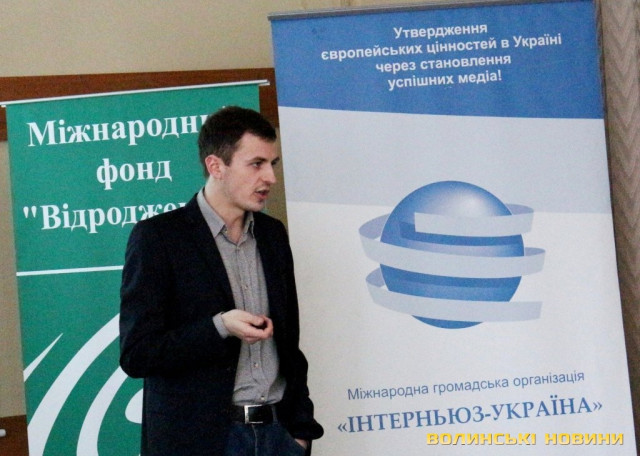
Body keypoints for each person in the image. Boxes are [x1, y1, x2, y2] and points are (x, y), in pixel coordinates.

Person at [119, 106, 323, 456]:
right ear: (216, 166)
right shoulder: (158, 238)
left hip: (279, 437)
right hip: (202, 442)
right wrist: (220, 327)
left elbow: (290, 344)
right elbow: (138, 354)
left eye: (272, 164)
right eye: (256, 164)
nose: (270, 178)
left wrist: (300, 432)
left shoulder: (273, 235)